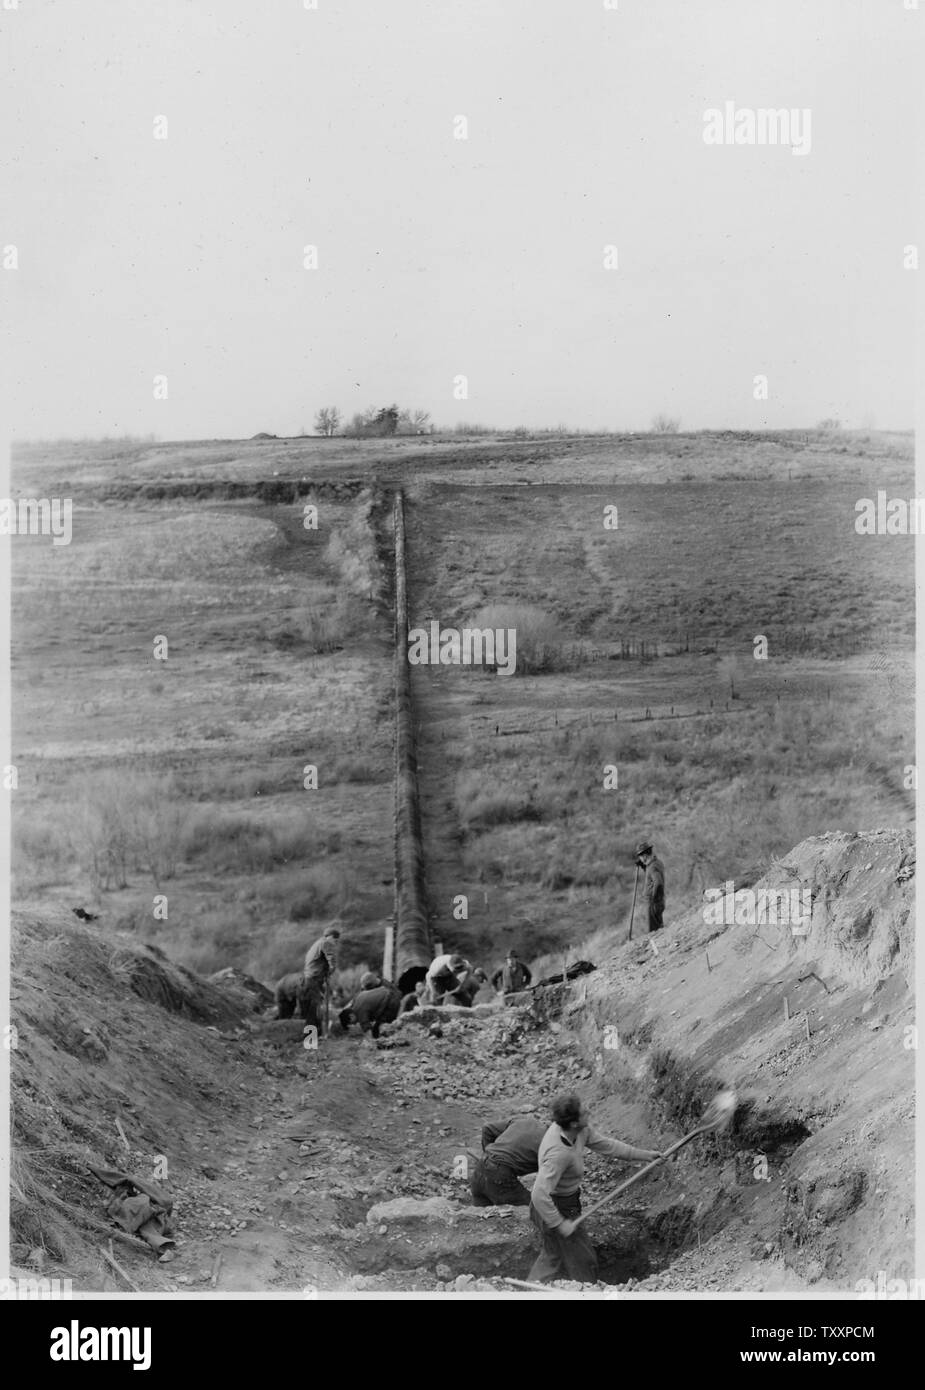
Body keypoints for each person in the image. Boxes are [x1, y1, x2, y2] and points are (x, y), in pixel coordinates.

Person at [529, 1094, 662, 1285]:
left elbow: (608, 1146)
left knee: (553, 1255)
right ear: (574, 1123)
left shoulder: (580, 1131)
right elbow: (539, 1194)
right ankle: (585, 1291)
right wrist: (559, 1223)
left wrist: (645, 1155)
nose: (588, 1111)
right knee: (582, 1260)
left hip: (567, 1202)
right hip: (553, 1207)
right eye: (584, 1112)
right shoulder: (558, 1153)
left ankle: (532, 1289)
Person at [470, 1114, 545, 1207]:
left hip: (479, 1170)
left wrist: (489, 1156)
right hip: (500, 1177)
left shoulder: (523, 1120)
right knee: (538, 1209)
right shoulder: (551, 1143)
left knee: (481, 1217)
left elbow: (487, 1129)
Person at [300, 925, 341, 1031]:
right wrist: (330, 972)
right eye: (335, 940)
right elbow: (332, 962)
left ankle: (315, 1037)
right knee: (313, 1011)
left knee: (312, 1010)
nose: (336, 943)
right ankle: (311, 1040)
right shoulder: (326, 943)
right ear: (330, 937)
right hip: (313, 981)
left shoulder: (317, 943)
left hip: (308, 980)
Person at [634, 839, 666, 933]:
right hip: (658, 901)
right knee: (658, 929)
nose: (640, 859)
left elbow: (658, 882)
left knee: (654, 931)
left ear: (644, 855)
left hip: (653, 902)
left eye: (640, 856)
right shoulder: (656, 863)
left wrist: (654, 898)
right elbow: (652, 876)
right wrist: (644, 866)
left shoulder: (652, 867)